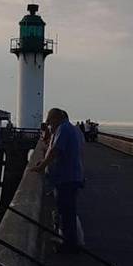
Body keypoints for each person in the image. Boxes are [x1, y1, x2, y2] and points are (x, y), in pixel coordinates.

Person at [31, 108, 84, 254]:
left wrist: (42, 165)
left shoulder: (64, 129)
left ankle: (70, 245)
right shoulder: (69, 128)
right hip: (70, 177)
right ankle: (70, 242)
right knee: (67, 211)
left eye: (49, 121)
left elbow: (56, 151)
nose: (49, 125)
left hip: (66, 178)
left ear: (56, 118)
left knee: (66, 212)